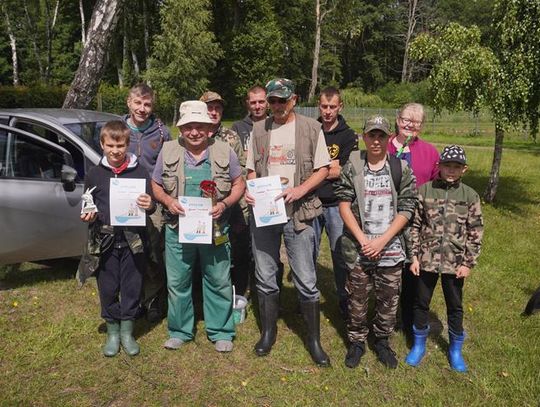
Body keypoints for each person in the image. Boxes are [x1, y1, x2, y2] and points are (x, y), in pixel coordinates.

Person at [245, 78, 331, 366]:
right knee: (266, 272)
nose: (278, 106)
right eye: (273, 101)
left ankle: (314, 341)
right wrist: (251, 190)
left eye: (283, 100)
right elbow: (251, 170)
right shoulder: (258, 129)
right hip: (266, 213)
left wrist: (299, 190)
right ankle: (268, 332)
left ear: (294, 99)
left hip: (300, 210)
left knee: (306, 278)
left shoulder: (311, 128)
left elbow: (323, 170)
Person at [151, 101, 245, 352]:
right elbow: (155, 185)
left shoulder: (225, 151)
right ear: (181, 129)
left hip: (215, 229)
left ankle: (221, 330)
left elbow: (239, 184)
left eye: (200, 126)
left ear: (209, 127)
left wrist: (224, 204)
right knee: (178, 281)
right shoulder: (168, 150)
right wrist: (169, 201)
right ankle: (180, 330)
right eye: (188, 127)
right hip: (177, 230)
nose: (194, 132)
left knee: (218, 279)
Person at [335, 115, 417, 369]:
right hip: (359, 248)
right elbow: (343, 202)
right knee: (357, 299)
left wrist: (382, 241)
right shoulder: (353, 165)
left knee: (388, 300)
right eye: (372, 135)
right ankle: (357, 342)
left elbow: (407, 207)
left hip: (390, 248)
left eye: (382, 135)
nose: (376, 140)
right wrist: (363, 240)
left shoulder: (400, 168)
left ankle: (382, 341)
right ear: (364, 137)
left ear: (388, 137)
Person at [80, 120, 155, 357]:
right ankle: (113, 330)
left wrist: (149, 204)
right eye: (110, 145)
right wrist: (87, 214)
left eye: (120, 145)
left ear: (127, 144)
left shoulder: (140, 171)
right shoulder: (94, 174)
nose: (115, 151)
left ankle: (127, 331)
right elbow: (87, 204)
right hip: (105, 242)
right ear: (102, 144)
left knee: (132, 287)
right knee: (108, 286)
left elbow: (151, 205)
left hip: (134, 242)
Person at [405, 145, 483, 372]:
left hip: (455, 263)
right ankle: (419, 346)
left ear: (464, 169)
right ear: (438, 166)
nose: (451, 170)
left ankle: (455, 350)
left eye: (456, 166)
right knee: (421, 302)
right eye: (447, 165)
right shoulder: (425, 190)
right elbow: (415, 225)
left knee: (455, 305)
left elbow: (475, 230)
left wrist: (468, 262)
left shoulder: (470, 195)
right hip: (426, 259)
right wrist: (414, 257)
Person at [387, 102, 439, 334]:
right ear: (398, 120)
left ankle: (408, 320)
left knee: (412, 271)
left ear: (421, 126)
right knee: (386, 269)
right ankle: (383, 319)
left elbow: (438, 186)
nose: (410, 125)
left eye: (416, 122)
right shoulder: (382, 145)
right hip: (385, 217)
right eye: (406, 119)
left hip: (416, 221)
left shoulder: (430, 152)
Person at [124, 83, 172, 322]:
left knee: (154, 252)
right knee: (130, 252)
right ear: (129, 103)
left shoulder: (162, 132)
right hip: (125, 201)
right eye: (138, 103)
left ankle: (153, 299)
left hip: (153, 201)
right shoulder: (118, 129)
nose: (142, 108)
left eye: (147, 104)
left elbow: (169, 166)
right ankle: (134, 299)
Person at [200, 91, 252, 297]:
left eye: (217, 108)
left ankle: (239, 293)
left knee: (238, 249)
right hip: (202, 207)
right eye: (209, 108)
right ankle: (203, 294)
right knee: (203, 250)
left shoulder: (231, 137)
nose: (213, 112)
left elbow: (242, 170)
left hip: (231, 204)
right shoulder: (193, 133)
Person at [313, 86, 358, 318]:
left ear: (340, 107)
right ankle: (307, 299)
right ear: (318, 106)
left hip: (335, 204)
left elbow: (345, 170)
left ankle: (344, 297)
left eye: (332, 107)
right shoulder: (312, 130)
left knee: (339, 254)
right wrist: (330, 168)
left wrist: (317, 170)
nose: (328, 111)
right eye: (324, 106)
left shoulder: (348, 136)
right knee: (307, 254)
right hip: (310, 202)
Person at [231, 85, 268, 152]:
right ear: (247, 104)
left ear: (267, 102)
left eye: (261, 102)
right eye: (253, 103)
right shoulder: (238, 127)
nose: (257, 107)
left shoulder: (275, 125)